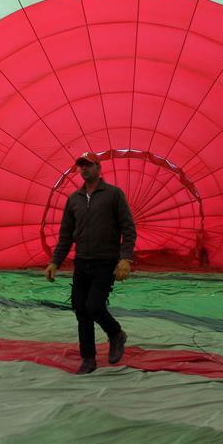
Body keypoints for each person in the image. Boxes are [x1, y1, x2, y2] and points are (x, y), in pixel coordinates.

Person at [44, 152, 137, 374]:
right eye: (80, 165)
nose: (84, 169)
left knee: (93, 306)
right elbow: (66, 235)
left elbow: (128, 229)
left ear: (98, 167)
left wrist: (125, 259)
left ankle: (115, 333)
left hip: (105, 262)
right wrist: (54, 262)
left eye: (88, 165)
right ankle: (88, 359)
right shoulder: (73, 199)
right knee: (80, 310)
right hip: (82, 262)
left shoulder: (113, 194)